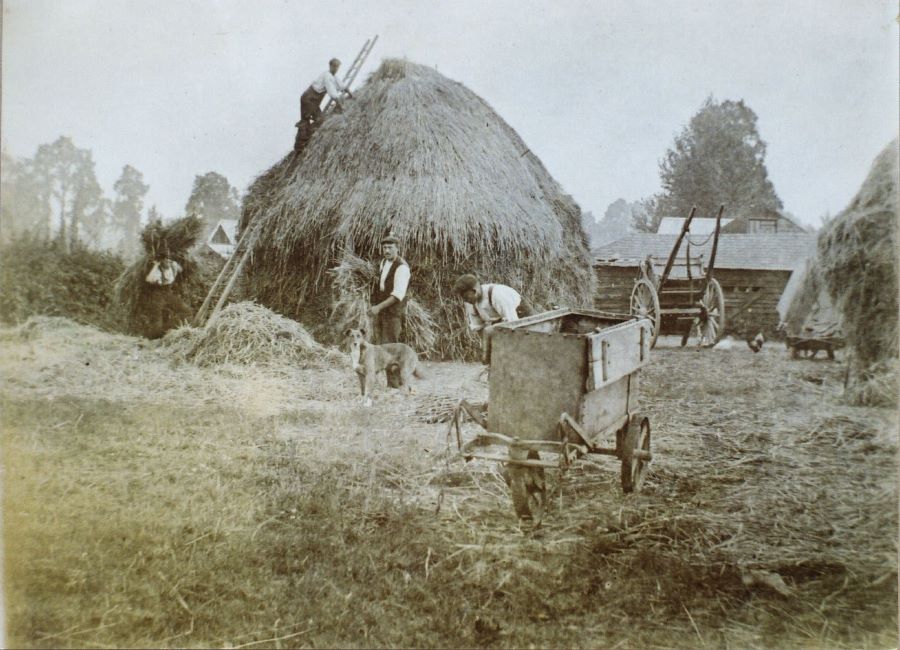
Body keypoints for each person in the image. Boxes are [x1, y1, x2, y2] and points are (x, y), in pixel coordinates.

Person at [452, 274, 534, 364]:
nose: (465, 301)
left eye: (466, 297)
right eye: (463, 299)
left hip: (522, 316)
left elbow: (513, 324)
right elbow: (479, 328)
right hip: (502, 321)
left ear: (474, 291)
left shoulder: (497, 294)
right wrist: (487, 352)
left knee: (530, 352)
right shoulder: (471, 303)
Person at [295, 58, 353, 151]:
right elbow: (333, 94)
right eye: (334, 66)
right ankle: (299, 146)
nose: (336, 69)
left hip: (314, 101)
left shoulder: (333, 76)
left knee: (320, 120)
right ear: (330, 66)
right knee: (305, 121)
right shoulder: (327, 76)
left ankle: (308, 138)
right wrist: (341, 107)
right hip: (308, 99)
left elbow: (341, 85)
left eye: (338, 67)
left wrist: (351, 95)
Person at [368, 233, 410, 345]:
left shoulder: (402, 267)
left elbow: (397, 296)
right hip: (382, 310)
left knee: (390, 345)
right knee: (379, 343)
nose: (387, 251)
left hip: (393, 312)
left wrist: (378, 307)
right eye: (385, 248)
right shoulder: (384, 262)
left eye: (390, 248)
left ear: (397, 249)